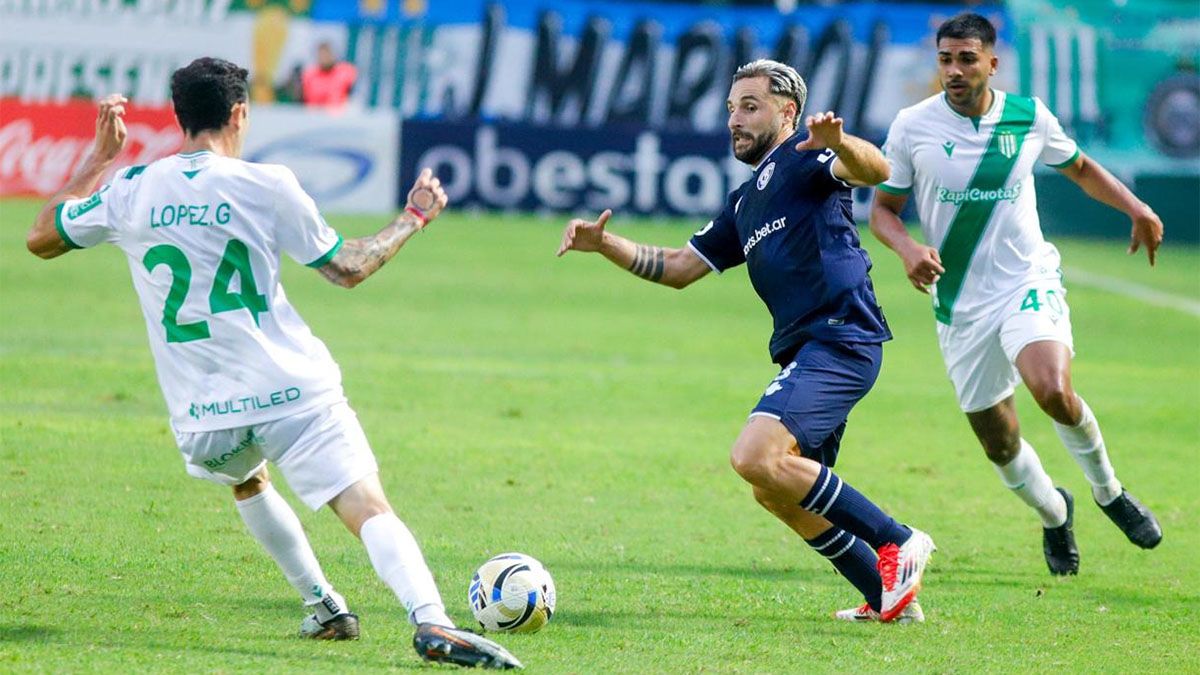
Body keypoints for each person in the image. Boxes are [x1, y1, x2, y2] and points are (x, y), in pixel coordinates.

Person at [25, 58, 521, 670]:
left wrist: (101, 158)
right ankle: (433, 622)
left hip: (203, 415)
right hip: (292, 391)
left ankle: (324, 605)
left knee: (246, 476)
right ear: (239, 113)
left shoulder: (131, 190)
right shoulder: (268, 184)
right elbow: (349, 267)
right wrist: (413, 217)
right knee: (365, 505)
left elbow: (41, 236)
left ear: (179, 118)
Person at [557, 59, 935, 624]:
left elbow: (875, 169)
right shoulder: (743, 201)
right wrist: (606, 245)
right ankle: (887, 597)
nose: (736, 119)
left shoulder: (808, 159)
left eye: (750, 107)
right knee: (774, 488)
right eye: (732, 108)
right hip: (809, 348)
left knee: (755, 456)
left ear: (788, 112)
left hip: (840, 338)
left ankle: (897, 541)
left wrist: (838, 142)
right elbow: (681, 267)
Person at [869, 13, 1163, 577]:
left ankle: (1110, 493)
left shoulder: (1028, 117)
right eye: (945, 60)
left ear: (992, 64)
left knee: (1052, 389)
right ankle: (1055, 512)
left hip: (1026, 280)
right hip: (959, 302)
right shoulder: (912, 126)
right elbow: (884, 211)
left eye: (966, 59)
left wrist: (1136, 207)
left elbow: (1079, 168)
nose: (954, 71)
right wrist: (909, 251)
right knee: (999, 444)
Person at [302, 42, 357, 109]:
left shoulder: (346, 72)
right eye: (321, 54)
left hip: (337, 114)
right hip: (312, 113)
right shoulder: (309, 74)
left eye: (327, 54)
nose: (324, 57)